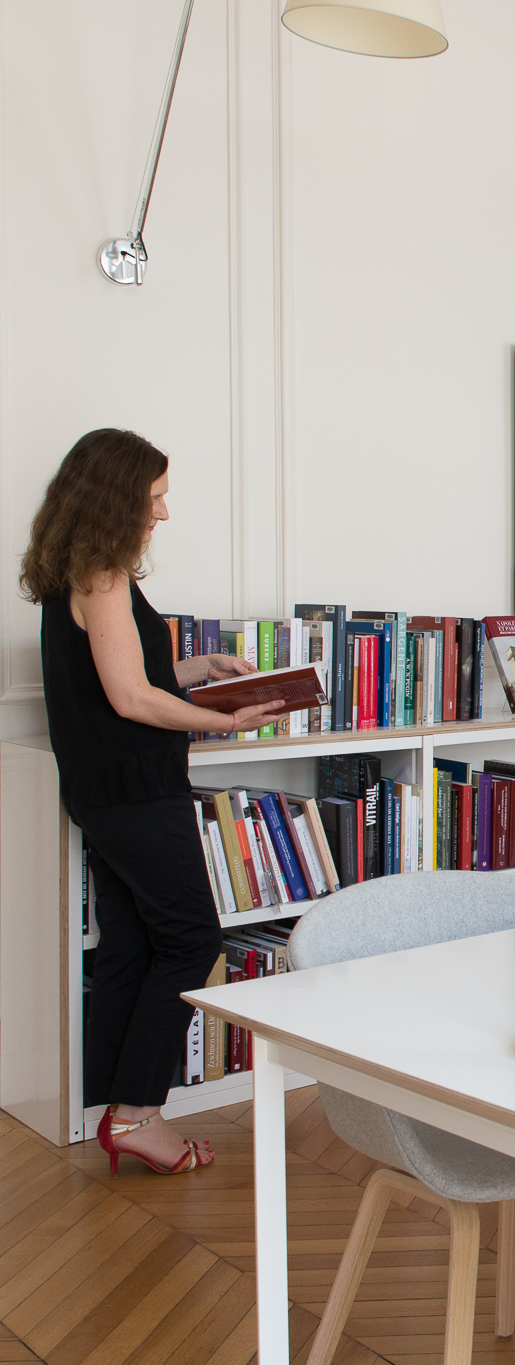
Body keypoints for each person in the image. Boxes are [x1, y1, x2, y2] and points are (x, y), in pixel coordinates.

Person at [20, 430, 288, 1176]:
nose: (163, 513)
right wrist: (222, 720)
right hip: (135, 792)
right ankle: (138, 1112)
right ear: (115, 496)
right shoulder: (103, 574)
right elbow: (131, 696)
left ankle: (117, 1107)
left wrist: (201, 668)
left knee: (133, 946)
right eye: (154, 497)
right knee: (192, 936)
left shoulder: (78, 573)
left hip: (106, 793)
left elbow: (123, 670)